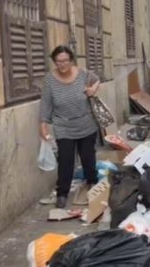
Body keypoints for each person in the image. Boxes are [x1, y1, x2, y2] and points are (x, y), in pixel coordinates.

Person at [39, 45, 101, 208]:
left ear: (71, 60)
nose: (62, 64)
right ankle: (62, 193)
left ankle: (92, 182)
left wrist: (92, 90)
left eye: (65, 60)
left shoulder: (83, 74)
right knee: (66, 160)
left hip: (86, 123)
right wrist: (43, 124)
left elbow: (97, 80)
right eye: (59, 61)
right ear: (54, 62)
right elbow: (46, 103)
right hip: (63, 125)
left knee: (88, 157)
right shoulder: (49, 80)